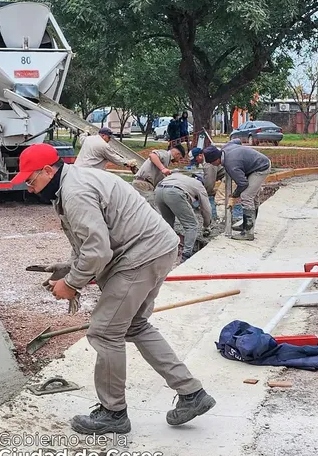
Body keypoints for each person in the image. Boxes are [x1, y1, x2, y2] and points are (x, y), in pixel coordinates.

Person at [12, 143, 215, 434]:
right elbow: (90, 242)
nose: (30, 189)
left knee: (104, 332)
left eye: (31, 181)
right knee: (134, 326)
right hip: (157, 248)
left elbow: (97, 251)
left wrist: (71, 284)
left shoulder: (75, 192)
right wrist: (69, 267)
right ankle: (192, 394)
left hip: (140, 256)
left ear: (48, 170)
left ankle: (113, 413)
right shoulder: (75, 181)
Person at [204, 142, 271, 241]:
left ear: (216, 160)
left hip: (261, 168)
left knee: (246, 196)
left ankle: (248, 232)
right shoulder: (225, 148)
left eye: (211, 163)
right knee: (253, 197)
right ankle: (245, 224)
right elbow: (236, 141)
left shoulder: (231, 164)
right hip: (256, 164)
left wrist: (234, 195)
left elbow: (243, 183)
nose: (211, 165)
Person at [154, 172, 214, 260]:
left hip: (159, 190)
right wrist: (206, 225)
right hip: (174, 192)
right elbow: (206, 209)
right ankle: (186, 255)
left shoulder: (182, 178)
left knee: (167, 224)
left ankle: (164, 251)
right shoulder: (199, 186)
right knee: (192, 225)